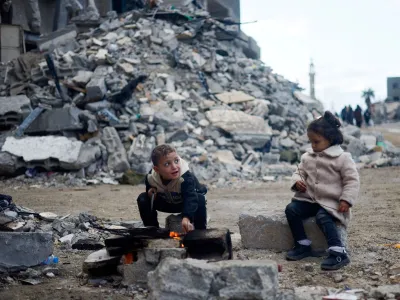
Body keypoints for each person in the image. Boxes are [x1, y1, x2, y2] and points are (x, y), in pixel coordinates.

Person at [285, 111, 360, 270]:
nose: (313, 145)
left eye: (316, 142)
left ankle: (338, 253)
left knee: (322, 217)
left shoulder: (343, 158)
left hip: (331, 202)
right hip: (310, 199)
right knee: (292, 210)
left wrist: (346, 199)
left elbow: (352, 180)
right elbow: (298, 172)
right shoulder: (307, 157)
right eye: (311, 142)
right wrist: (298, 182)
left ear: (330, 139)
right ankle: (302, 245)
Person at [137, 144, 207, 233]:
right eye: (167, 164)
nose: (174, 167)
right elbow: (149, 186)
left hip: (184, 203)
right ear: (157, 169)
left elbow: (191, 198)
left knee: (199, 198)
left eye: (176, 161)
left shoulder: (185, 177)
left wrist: (186, 217)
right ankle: (152, 230)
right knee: (143, 198)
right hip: (166, 202)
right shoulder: (151, 177)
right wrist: (150, 190)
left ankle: (200, 232)